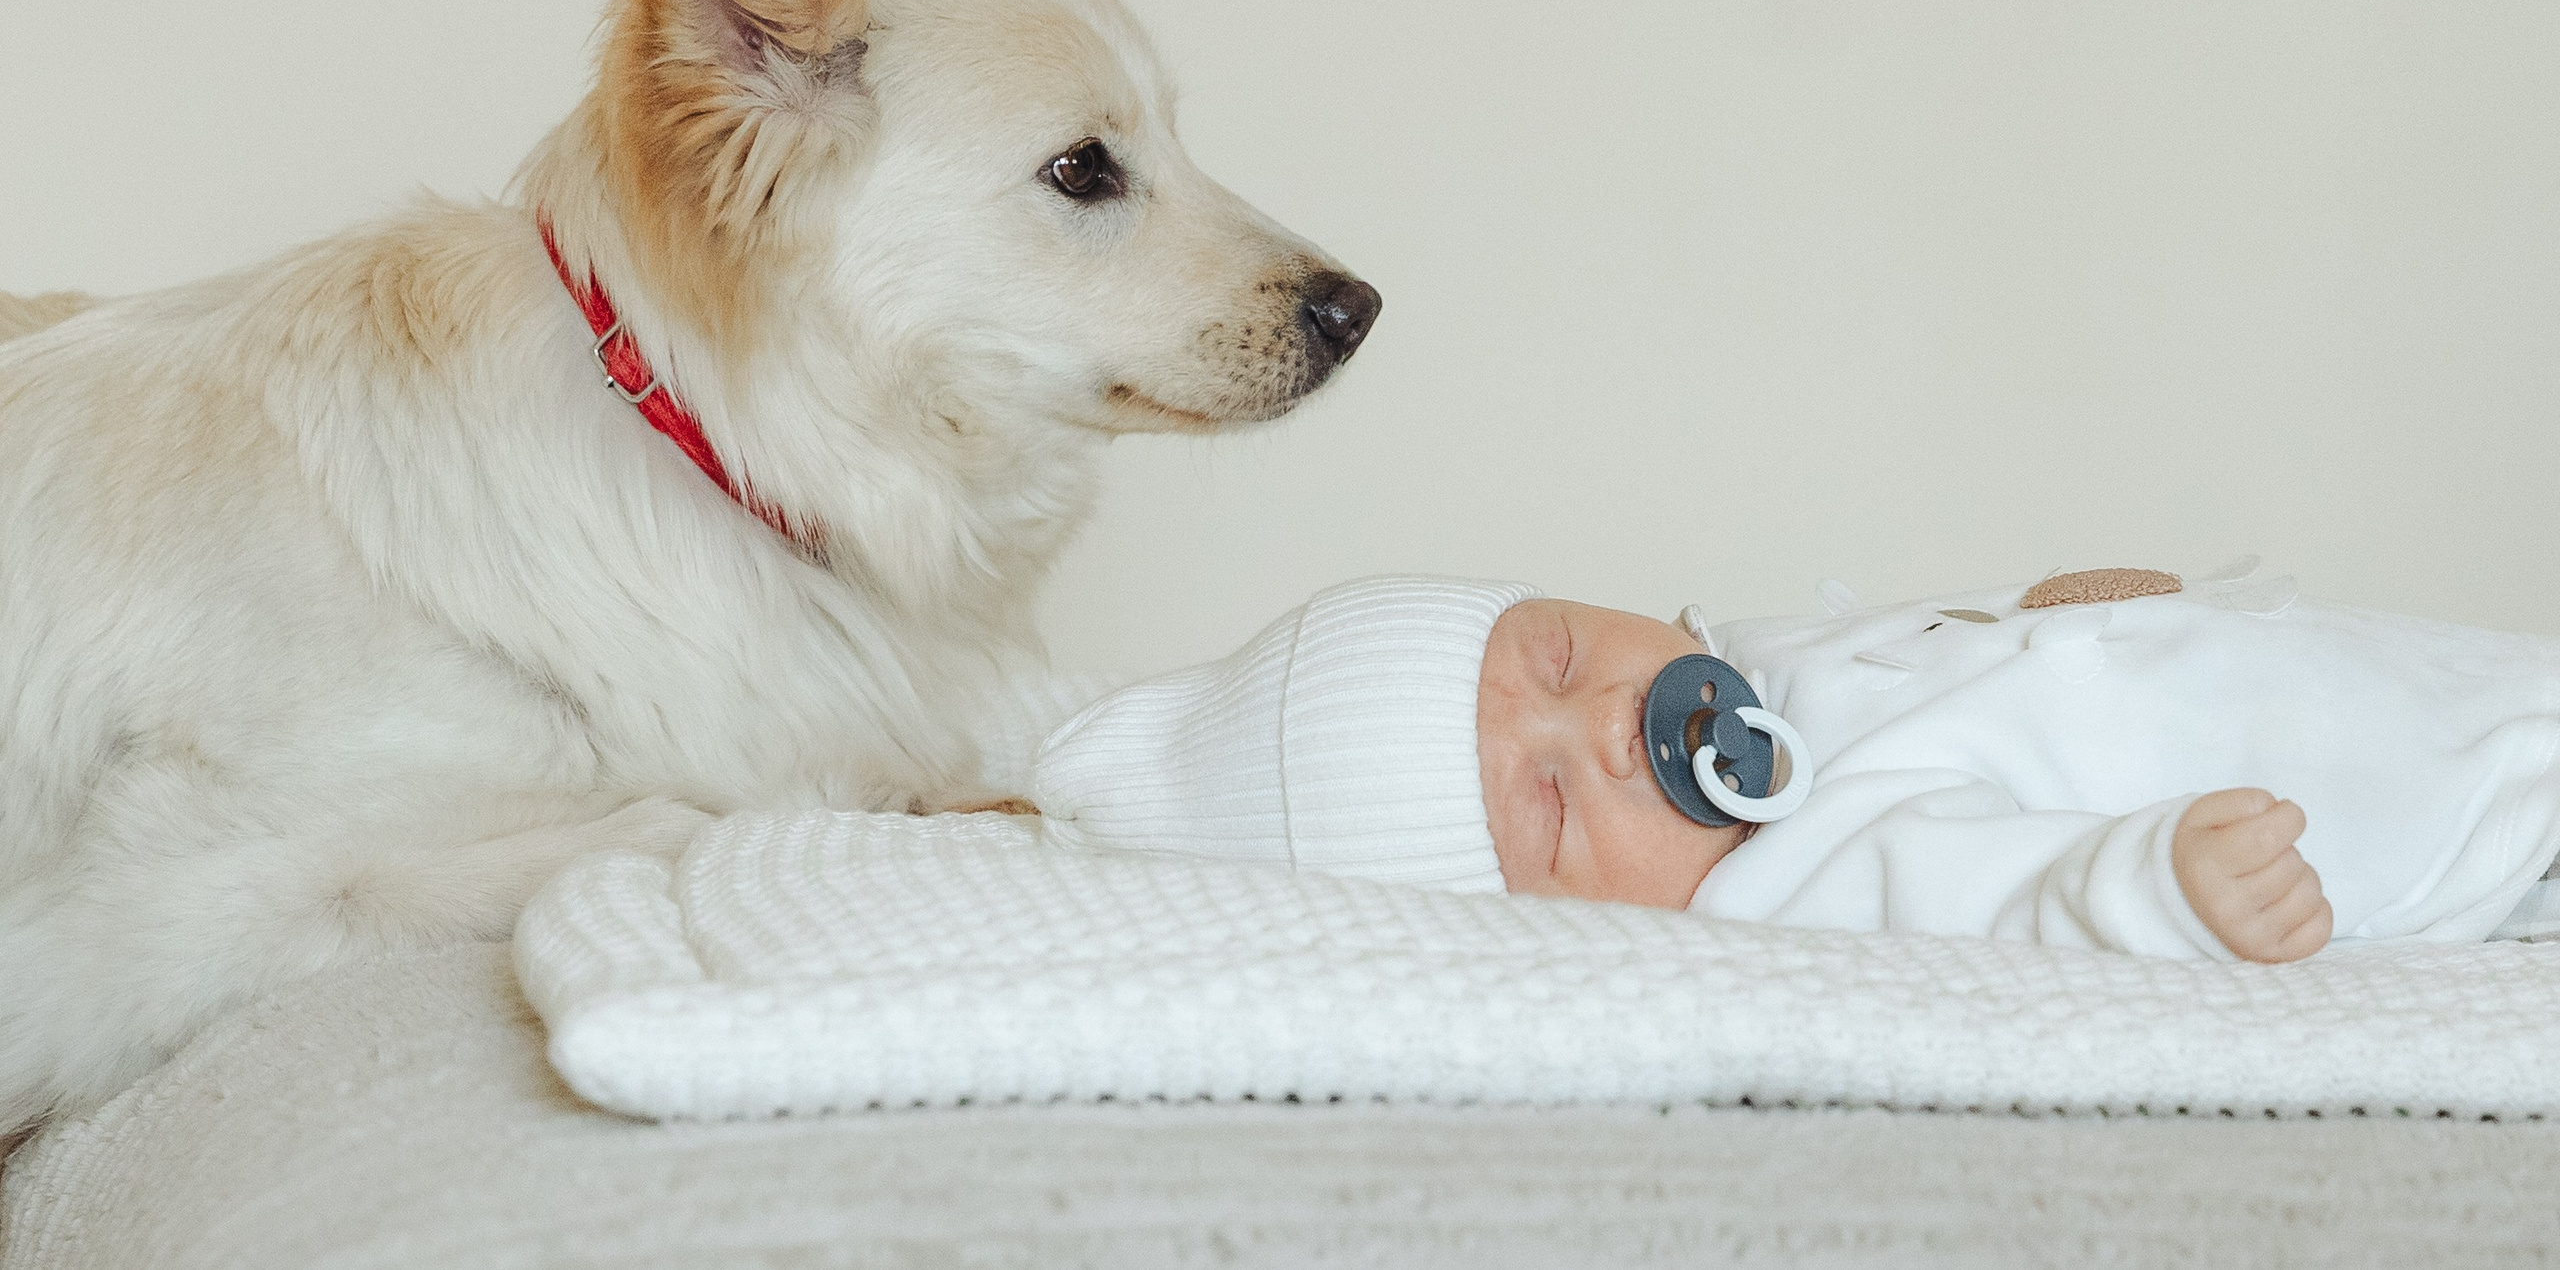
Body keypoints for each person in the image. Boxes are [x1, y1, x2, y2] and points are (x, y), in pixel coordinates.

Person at [1029, 569, 2560, 963]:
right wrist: (2158, 883)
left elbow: (1961, 663)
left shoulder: (1759, 669)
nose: (1612, 728)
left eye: (1558, 657)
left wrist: (2076, 606)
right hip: (2441, 819)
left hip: (2420, 680)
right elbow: (2003, 904)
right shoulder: (1793, 881)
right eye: (1552, 805)